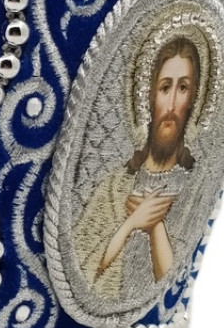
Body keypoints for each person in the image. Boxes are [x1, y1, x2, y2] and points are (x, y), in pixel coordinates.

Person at [73, 36, 200, 301]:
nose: (172, 105)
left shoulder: (194, 187)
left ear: (193, 99)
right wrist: (131, 223)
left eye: (183, 88)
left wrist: (155, 226)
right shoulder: (115, 187)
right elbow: (82, 269)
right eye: (165, 88)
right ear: (149, 96)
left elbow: (170, 286)